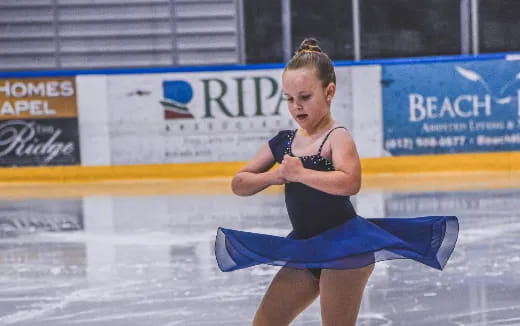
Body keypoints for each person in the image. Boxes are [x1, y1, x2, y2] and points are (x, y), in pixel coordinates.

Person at [215, 38, 458, 326]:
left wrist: (300, 173)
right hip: (306, 247)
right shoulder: (284, 142)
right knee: (266, 322)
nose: (296, 107)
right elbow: (239, 183)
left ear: (329, 92)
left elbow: (350, 182)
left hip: (347, 248)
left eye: (305, 97)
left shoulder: (336, 137)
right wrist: (275, 175)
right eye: (290, 99)